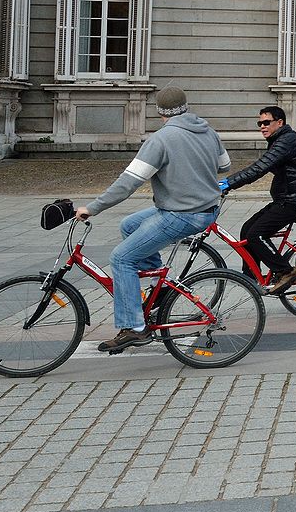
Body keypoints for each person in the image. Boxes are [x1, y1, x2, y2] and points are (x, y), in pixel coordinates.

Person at [74, 87, 231, 354]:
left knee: (122, 258)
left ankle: (134, 328)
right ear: (185, 105)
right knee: (130, 225)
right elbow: (224, 166)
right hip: (206, 209)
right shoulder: (208, 131)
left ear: (159, 111)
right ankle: (156, 288)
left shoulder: (161, 139)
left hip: (182, 215)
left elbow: (128, 184)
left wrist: (93, 207)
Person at [221, 106, 296, 294]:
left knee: (256, 234)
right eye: (260, 123)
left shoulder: (286, 141)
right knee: (246, 229)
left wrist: (228, 183)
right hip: (286, 199)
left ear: (279, 122)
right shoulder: (278, 140)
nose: (262, 127)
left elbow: (259, 168)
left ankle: (286, 271)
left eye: (266, 122)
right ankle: (251, 277)